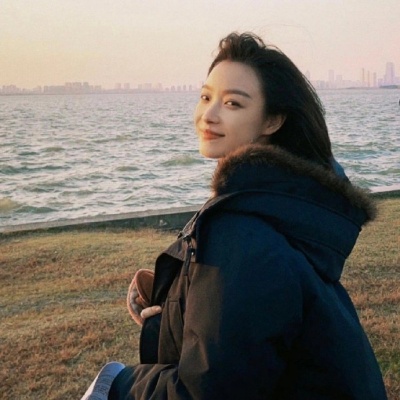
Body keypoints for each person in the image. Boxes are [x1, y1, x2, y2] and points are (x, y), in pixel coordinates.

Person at [81, 32, 387, 399]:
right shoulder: (284, 207)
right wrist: (177, 304)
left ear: (272, 120)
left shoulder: (242, 232)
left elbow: (207, 392)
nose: (208, 115)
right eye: (205, 97)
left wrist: (116, 383)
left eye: (232, 104)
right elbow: (253, 330)